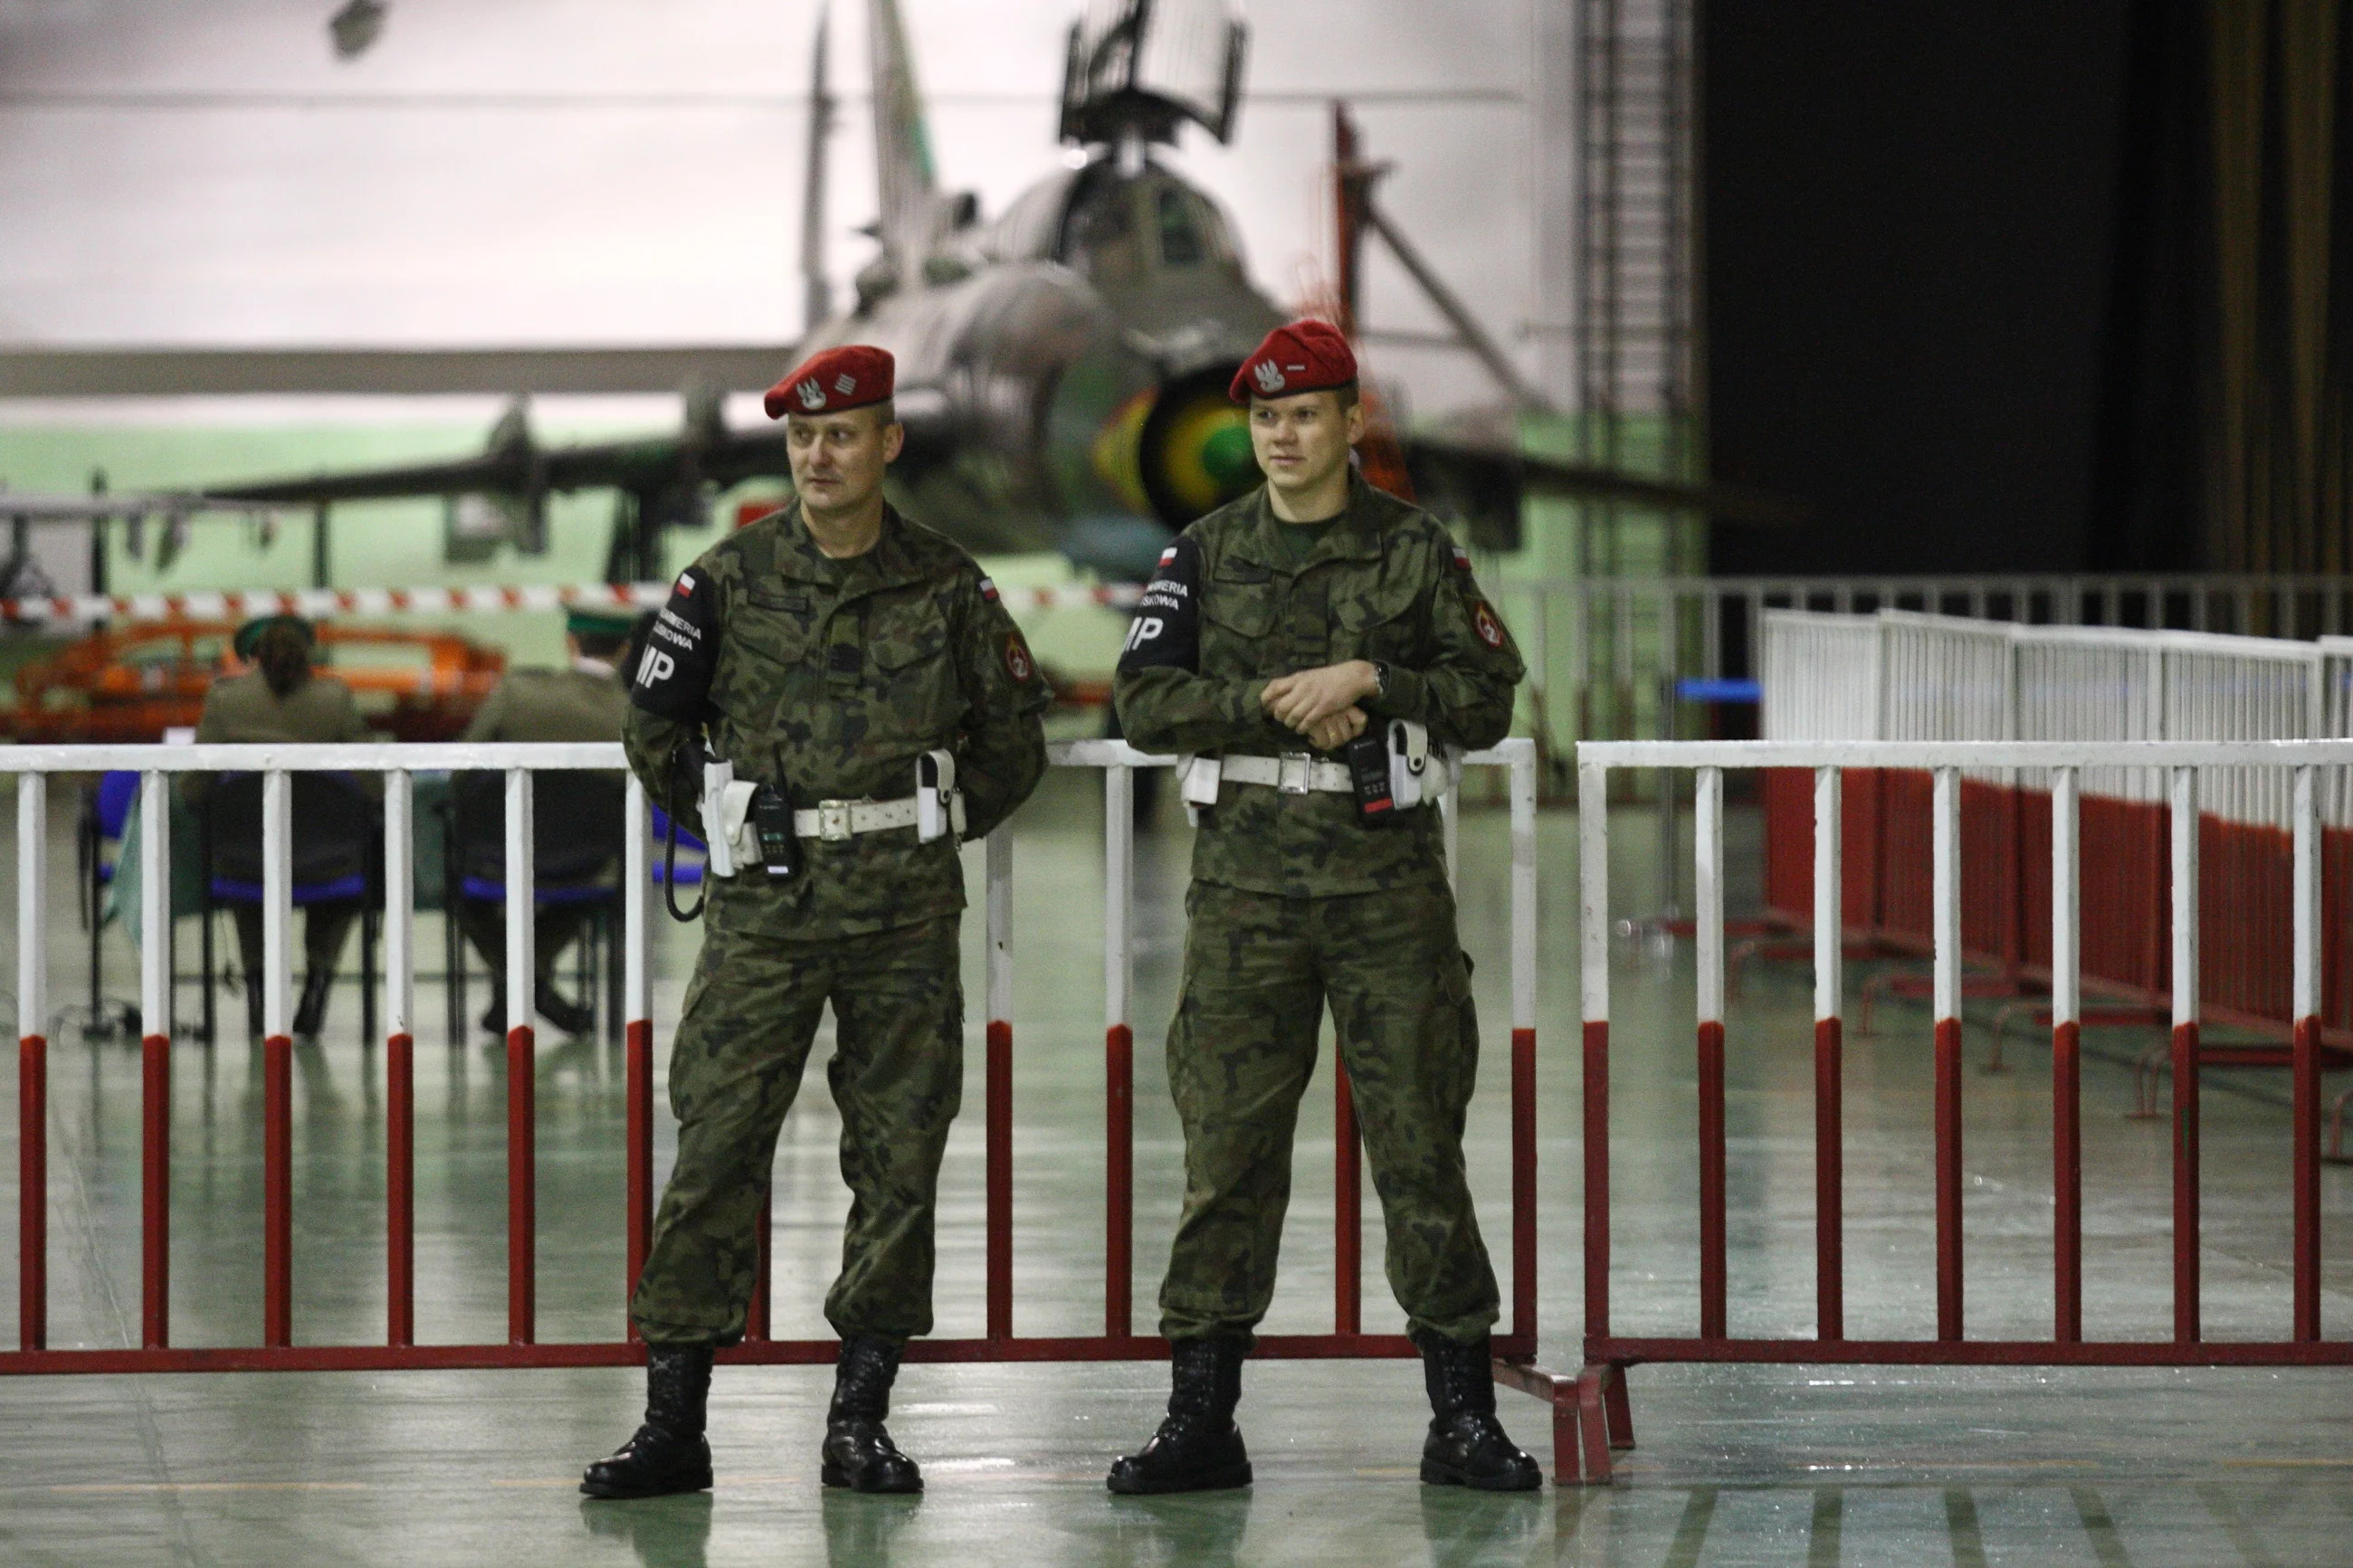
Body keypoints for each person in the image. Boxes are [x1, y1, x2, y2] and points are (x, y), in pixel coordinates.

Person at [582, 345, 1050, 1500]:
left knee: (896, 1161)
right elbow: (654, 727)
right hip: (766, 918)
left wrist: (923, 825)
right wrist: (731, 819)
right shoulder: (725, 578)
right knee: (715, 1150)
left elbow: (1010, 744)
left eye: (841, 434)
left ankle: (859, 1419)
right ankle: (673, 1423)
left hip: (901, 916)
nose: (817, 454)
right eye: (801, 436)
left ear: (889, 442)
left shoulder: (948, 584)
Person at [1107, 320, 1539, 1493]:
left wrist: (1375, 681)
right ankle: (1202, 1417)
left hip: (1386, 887)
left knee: (1419, 1148)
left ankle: (1462, 1417)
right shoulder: (1201, 555)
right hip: (1246, 892)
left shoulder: (1415, 553)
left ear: (1354, 422)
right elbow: (1144, 702)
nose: (1282, 435)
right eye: (1264, 418)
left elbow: (1489, 697)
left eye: (1305, 414)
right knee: (1228, 1155)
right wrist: (1277, 703)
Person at [186, 614, 374, 1041]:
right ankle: (318, 983)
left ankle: (258, 993)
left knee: (246, 867)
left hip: (248, 863)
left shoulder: (224, 700)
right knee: (342, 880)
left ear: (250, 655)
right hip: (327, 864)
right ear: (309, 654)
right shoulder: (336, 698)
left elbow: (193, 789)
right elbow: (374, 784)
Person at [453, 605, 635, 1037]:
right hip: (589, 861)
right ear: (626, 650)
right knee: (579, 891)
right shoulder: (633, 716)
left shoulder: (516, 694)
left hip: (499, 854)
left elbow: (463, 769)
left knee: (461, 886)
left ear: (569, 643)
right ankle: (532, 986)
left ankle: (513, 984)